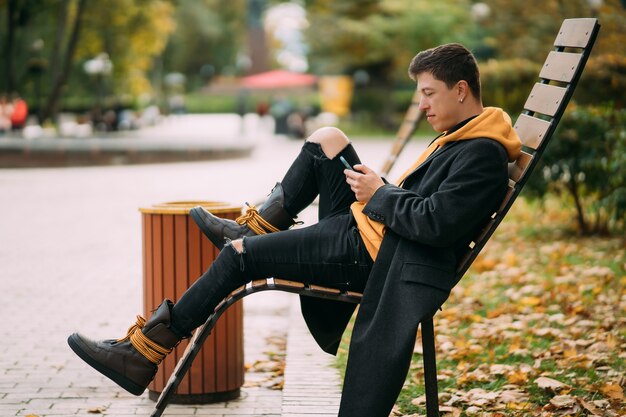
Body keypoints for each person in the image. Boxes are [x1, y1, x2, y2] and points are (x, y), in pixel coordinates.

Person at [68, 43, 521, 416]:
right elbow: (428, 210)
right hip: (369, 229)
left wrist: (379, 193)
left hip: (370, 254)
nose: (421, 105)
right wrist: (377, 194)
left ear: (461, 90)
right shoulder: (468, 135)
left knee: (241, 256)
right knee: (327, 139)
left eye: (428, 93)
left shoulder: (480, 153)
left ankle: (144, 352)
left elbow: (438, 224)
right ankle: (254, 226)